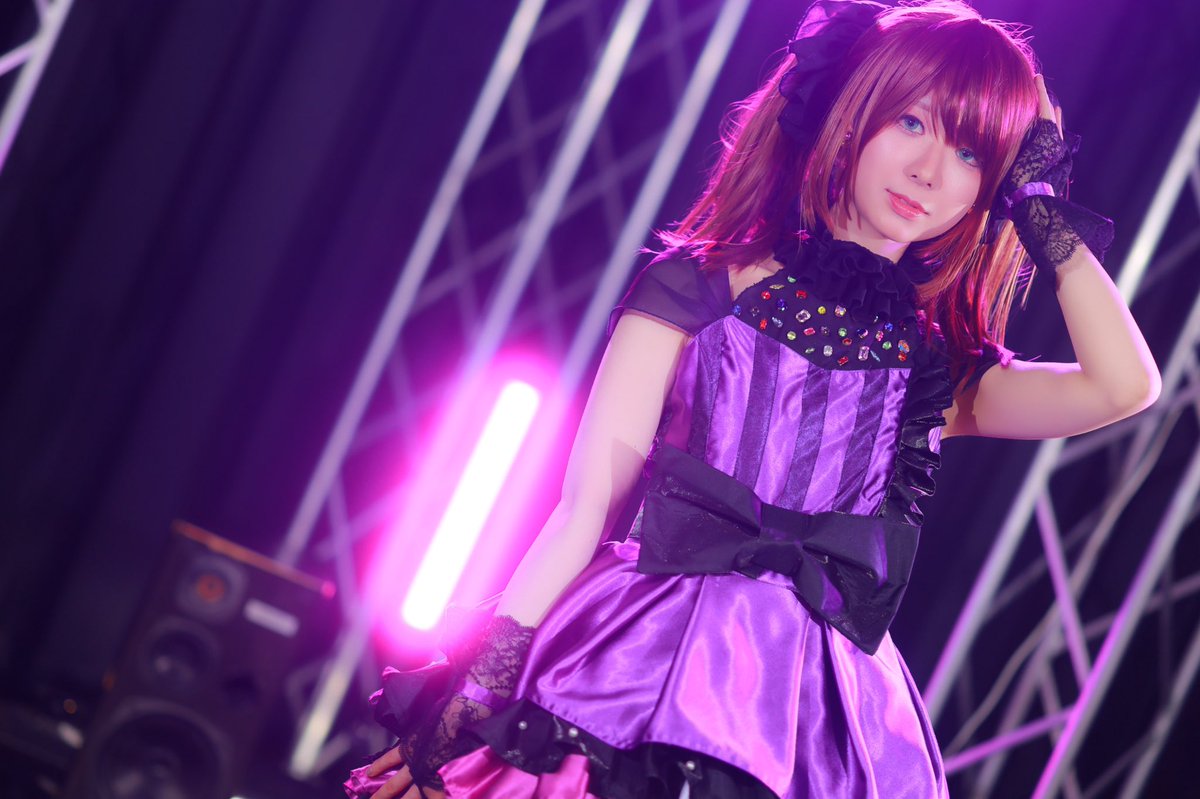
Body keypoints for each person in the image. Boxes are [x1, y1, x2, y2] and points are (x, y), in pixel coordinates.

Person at [344, 1, 1161, 797]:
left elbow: (1126, 385)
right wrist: (473, 695)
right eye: (911, 122)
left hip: (816, 721)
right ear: (854, 108)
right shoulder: (699, 285)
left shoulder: (933, 370)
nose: (931, 172)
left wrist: (1040, 207)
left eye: (973, 155)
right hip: (635, 658)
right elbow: (583, 509)